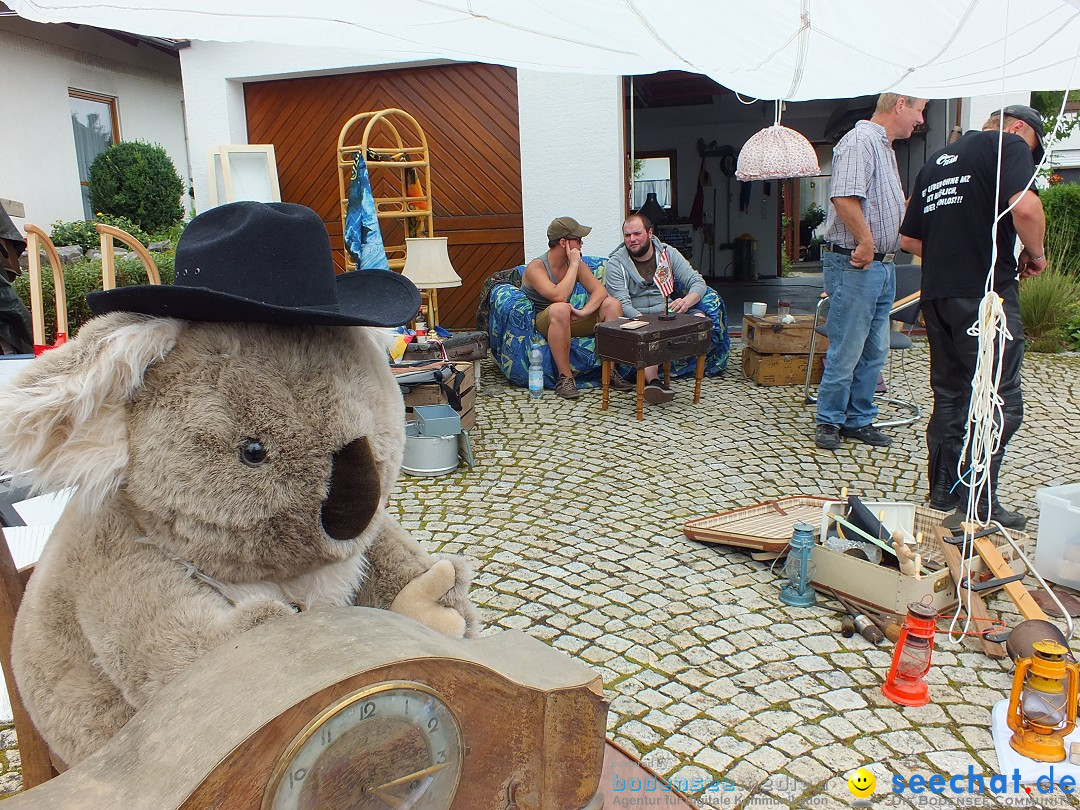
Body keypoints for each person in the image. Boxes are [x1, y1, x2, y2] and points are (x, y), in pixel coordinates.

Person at [900, 105, 1047, 530]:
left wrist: (952, 254)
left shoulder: (935, 163)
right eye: (1031, 147)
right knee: (1000, 398)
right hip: (985, 298)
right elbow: (1026, 209)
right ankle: (978, 499)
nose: (1028, 155)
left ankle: (943, 491)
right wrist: (1035, 255)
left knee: (951, 394)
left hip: (938, 296)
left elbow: (910, 237)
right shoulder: (1008, 143)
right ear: (1019, 128)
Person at [815, 93, 927, 451]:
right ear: (900, 105)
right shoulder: (861, 140)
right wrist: (865, 241)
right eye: (919, 111)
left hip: (883, 266)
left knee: (875, 350)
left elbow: (882, 206)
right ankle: (830, 421)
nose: (921, 120)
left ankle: (858, 420)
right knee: (848, 348)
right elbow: (844, 197)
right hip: (857, 263)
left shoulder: (885, 148)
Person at [604, 213, 709, 404]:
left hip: (667, 313)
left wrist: (686, 301)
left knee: (700, 317)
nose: (632, 239)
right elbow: (623, 303)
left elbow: (698, 282)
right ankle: (653, 382)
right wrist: (647, 322)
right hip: (635, 316)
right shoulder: (616, 263)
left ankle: (697, 381)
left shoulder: (667, 254)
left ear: (650, 233)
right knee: (648, 334)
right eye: (627, 236)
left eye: (637, 234)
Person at [521, 216, 627, 399]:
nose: (581, 243)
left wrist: (584, 311)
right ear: (563, 242)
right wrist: (575, 264)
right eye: (577, 239)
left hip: (569, 318)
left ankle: (610, 372)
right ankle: (565, 378)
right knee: (561, 307)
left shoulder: (574, 264)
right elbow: (559, 296)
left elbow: (600, 291)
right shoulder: (536, 267)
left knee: (612, 304)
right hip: (545, 320)